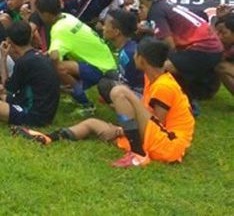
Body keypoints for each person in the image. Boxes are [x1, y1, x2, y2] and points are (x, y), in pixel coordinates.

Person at [17, 38, 195, 169]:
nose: (133, 57)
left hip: (169, 144)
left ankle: (137, 154)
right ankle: (48, 137)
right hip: (156, 137)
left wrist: (125, 123)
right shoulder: (155, 78)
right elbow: (149, 117)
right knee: (92, 123)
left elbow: (159, 123)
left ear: (142, 60)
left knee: (119, 91)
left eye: (135, 54)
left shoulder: (164, 86)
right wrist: (125, 124)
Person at [133, 0, 223, 104]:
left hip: (203, 49)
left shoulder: (155, 10)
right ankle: (199, 89)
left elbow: (169, 45)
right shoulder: (166, 2)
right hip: (212, 46)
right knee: (172, 61)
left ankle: (178, 100)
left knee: (159, 66)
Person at [36, 0, 118, 115]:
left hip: (101, 69)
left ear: (46, 14)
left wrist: (54, 71)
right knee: (57, 63)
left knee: (57, 66)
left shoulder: (58, 29)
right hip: (106, 63)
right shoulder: (66, 17)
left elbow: (54, 56)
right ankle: (78, 90)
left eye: (39, 13)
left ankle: (84, 101)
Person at [101, 9, 144, 95]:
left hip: (139, 93)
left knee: (103, 85)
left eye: (106, 25)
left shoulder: (128, 55)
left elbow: (129, 85)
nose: (103, 28)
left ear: (116, 32)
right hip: (132, 85)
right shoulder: (128, 47)